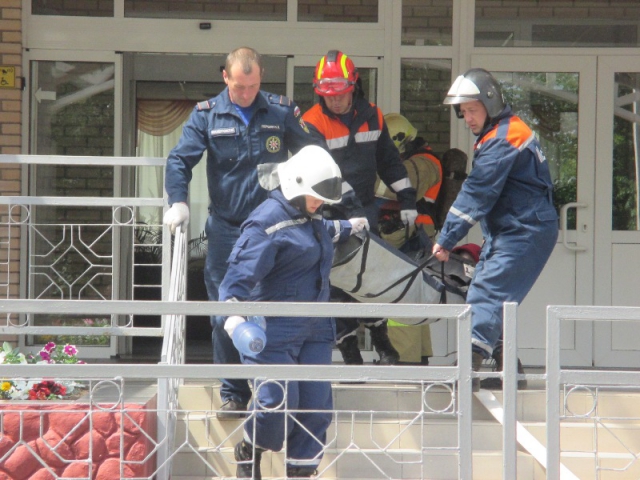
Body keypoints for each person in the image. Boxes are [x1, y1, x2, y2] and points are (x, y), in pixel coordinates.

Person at [163, 47, 323, 419]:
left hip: (276, 230)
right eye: (239, 87)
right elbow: (179, 159)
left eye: (253, 86)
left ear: (261, 77)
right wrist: (178, 201)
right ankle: (234, 391)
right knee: (225, 312)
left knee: (276, 307)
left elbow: (314, 153)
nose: (247, 94)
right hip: (228, 231)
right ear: (225, 78)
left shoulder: (282, 111)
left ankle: (272, 388)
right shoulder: (206, 115)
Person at [218, 146, 367, 479]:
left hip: (315, 328)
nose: (321, 205)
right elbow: (236, 279)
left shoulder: (310, 215)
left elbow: (317, 233)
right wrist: (232, 318)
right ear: (295, 186)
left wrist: (349, 226)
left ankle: (301, 472)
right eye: (316, 198)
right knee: (276, 403)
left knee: (315, 409)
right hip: (273, 330)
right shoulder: (264, 224)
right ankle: (248, 447)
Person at [432, 68, 559, 390]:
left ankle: (466, 374)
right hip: (515, 229)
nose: (468, 119)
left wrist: (446, 239)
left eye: (472, 110)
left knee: (486, 291)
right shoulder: (500, 133)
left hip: (523, 230)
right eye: (463, 113)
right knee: (499, 300)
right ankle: (510, 373)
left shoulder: (504, 138)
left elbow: (477, 193)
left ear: (491, 103)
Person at [302, 50, 418, 366]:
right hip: (328, 216)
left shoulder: (374, 116)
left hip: (365, 210)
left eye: (340, 94)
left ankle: (385, 348)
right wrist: (353, 211)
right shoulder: (311, 122)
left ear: (354, 86)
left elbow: (390, 162)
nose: (335, 101)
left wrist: (408, 201)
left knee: (372, 280)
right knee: (337, 285)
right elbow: (326, 175)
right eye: (328, 96)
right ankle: (351, 354)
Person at [376, 113, 443, 365]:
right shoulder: (419, 160)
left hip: (413, 239)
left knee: (399, 296)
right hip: (406, 237)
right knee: (410, 296)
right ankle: (417, 356)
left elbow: (391, 186)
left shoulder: (425, 163)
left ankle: (404, 359)